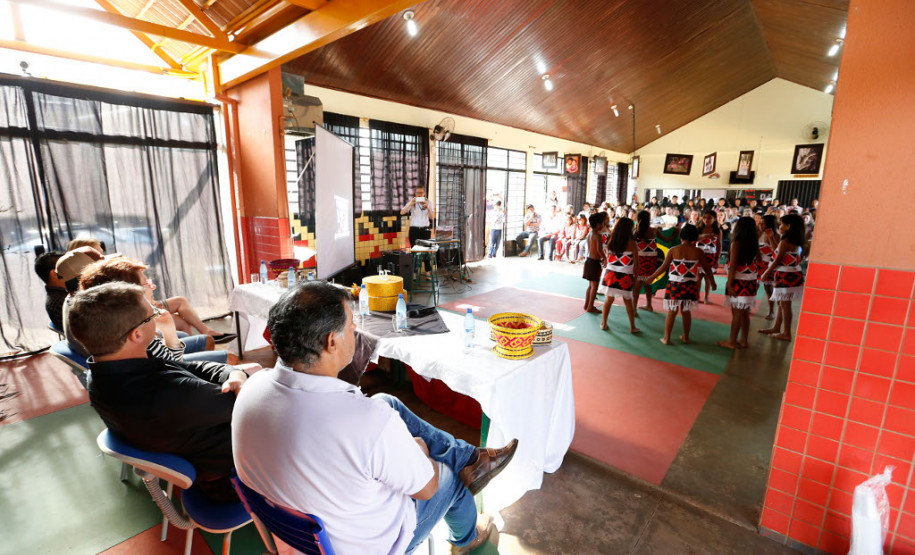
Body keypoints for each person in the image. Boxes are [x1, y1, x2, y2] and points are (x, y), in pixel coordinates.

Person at [231, 282, 518, 554]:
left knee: (386, 401)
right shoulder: (367, 422)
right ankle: (467, 536)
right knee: (447, 476)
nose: (355, 332)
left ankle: (470, 458)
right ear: (331, 341)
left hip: (295, 529)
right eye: (352, 326)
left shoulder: (250, 390)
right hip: (369, 543)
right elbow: (426, 488)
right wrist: (418, 451)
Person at [68, 282, 258, 502]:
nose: (158, 317)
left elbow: (192, 367)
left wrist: (235, 373)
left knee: (251, 371)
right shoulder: (166, 395)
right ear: (136, 334)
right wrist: (241, 376)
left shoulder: (103, 371)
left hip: (201, 446)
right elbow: (250, 406)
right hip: (239, 477)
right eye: (152, 316)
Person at [77, 257, 235, 364]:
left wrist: (168, 331)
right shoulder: (139, 328)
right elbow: (175, 366)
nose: (153, 287)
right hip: (172, 387)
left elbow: (168, 362)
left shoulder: (113, 322)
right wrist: (167, 332)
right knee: (233, 362)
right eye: (147, 284)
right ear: (130, 292)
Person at [642, 224, 716, 345]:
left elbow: (663, 267)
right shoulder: (698, 251)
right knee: (686, 311)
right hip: (690, 285)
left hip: (675, 285)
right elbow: (707, 269)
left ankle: (666, 338)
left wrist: (651, 278)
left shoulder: (674, 250)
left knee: (672, 311)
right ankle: (686, 336)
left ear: (681, 236)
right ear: (695, 237)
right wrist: (712, 282)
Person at [760, 214, 807, 342]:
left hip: (786, 275)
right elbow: (778, 252)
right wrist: (771, 238)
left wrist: (766, 273)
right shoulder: (792, 241)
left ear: (788, 226)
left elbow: (777, 259)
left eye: (782, 224)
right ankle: (777, 328)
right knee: (782, 303)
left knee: (785, 304)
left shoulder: (785, 241)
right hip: (791, 274)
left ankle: (786, 332)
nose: (780, 226)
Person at [718, 217, 760, 349]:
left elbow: (733, 266)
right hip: (751, 281)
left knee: (737, 313)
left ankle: (731, 341)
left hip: (739, 281)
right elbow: (759, 259)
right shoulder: (754, 243)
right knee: (744, 313)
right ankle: (743, 340)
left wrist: (729, 284)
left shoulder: (736, 243)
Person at [598, 217, 640, 334]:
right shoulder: (632, 243)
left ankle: (604, 323)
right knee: (628, 301)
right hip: (626, 275)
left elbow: (608, 257)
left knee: (608, 300)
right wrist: (635, 278)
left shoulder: (611, 240)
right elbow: (637, 264)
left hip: (611, 274)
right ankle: (632, 327)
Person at [633, 211, 662, 313]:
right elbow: (667, 240)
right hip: (651, 261)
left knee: (637, 286)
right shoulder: (654, 231)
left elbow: (630, 243)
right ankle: (649, 305)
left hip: (640, 261)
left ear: (638, 219)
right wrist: (675, 233)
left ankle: (634, 309)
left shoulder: (636, 231)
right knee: (647, 283)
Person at [34, 250, 67, 330]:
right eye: (67, 266)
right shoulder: (61, 301)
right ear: (54, 274)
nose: (72, 268)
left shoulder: (63, 293)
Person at [582, 212, 607, 314]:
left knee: (591, 285)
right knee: (594, 286)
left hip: (589, 261)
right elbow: (599, 250)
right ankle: (590, 307)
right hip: (594, 263)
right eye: (602, 223)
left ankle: (587, 304)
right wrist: (605, 258)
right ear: (597, 224)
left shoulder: (589, 234)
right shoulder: (597, 235)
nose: (603, 225)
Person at [757, 214, 780, 320]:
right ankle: (748, 304)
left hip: (769, 265)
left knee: (768, 288)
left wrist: (770, 238)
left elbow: (777, 252)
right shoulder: (759, 233)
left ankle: (771, 311)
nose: (760, 225)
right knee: (754, 285)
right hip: (758, 263)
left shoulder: (777, 235)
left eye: (763, 223)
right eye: (760, 223)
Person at [697, 211, 723, 304]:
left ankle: (706, 297)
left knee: (707, 278)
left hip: (710, 256)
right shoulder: (698, 229)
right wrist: (705, 236)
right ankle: (697, 296)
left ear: (714, 219)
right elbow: (694, 240)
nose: (706, 220)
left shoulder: (717, 230)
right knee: (698, 278)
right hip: (698, 255)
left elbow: (719, 245)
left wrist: (717, 259)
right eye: (704, 217)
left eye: (709, 218)